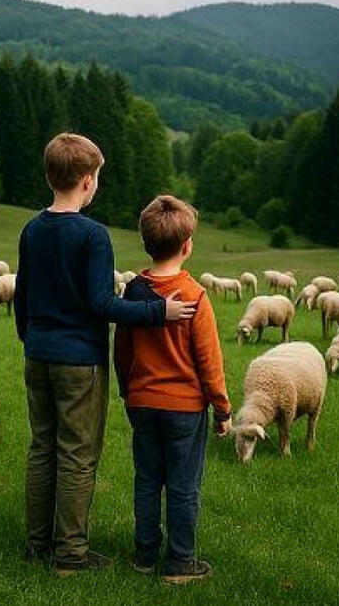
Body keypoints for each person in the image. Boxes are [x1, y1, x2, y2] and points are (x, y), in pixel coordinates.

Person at [14, 133, 197, 576]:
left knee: (42, 448)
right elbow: (101, 303)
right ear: (87, 181)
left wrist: (29, 337)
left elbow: (23, 293)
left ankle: (38, 545)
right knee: (77, 454)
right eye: (97, 177)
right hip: (79, 361)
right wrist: (158, 311)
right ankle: (71, 554)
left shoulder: (32, 229)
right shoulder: (93, 235)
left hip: (38, 354)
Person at [114, 195, 231, 584]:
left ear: (146, 243)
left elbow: (122, 348)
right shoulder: (195, 296)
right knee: (183, 485)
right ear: (187, 246)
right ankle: (181, 562)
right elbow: (209, 361)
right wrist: (222, 410)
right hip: (184, 407)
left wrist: (127, 390)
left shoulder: (133, 292)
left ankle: (145, 555)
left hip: (142, 402)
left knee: (147, 479)